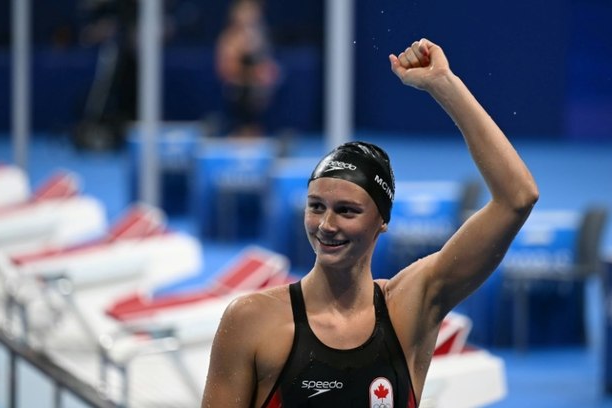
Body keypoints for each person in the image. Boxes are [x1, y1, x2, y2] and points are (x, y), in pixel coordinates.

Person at [201, 38, 539, 407]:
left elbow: (517, 198)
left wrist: (444, 84)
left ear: (382, 221)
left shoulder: (409, 308)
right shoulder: (253, 321)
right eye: (316, 206)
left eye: (347, 211)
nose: (326, 224)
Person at [215, 0, 280, 138]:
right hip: (237, 94)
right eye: (245, 12)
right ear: (236, 15)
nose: (250, 16)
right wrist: (255, 73)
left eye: (253, 12)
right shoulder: (229, 39)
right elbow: (227, 71)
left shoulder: (259, 37)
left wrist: (268, 72)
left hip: (257, 97)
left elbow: (266, 65)